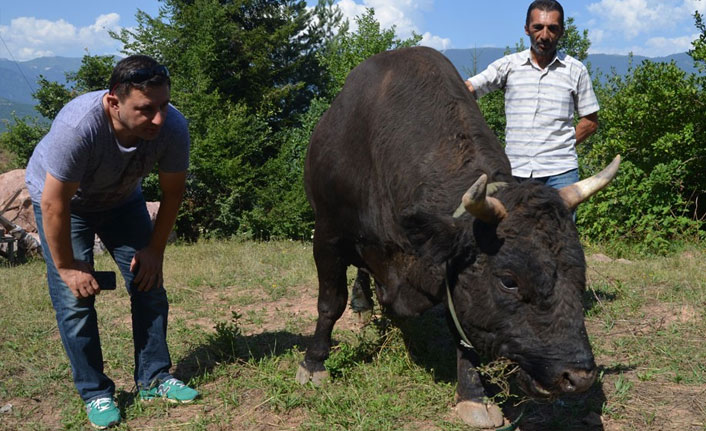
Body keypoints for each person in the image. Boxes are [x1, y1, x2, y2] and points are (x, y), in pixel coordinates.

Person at [25, 54, 197, 429]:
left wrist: (154, 251)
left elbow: (172, 194)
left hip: (122, 200)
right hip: (65, 204)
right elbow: (55, 203)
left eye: (164, 106)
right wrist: (68, 268)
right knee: (75, 299)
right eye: (146, 109)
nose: (158, 119)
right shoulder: (79, 126)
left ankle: (154, 378)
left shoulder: (173, 127)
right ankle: (96, 392)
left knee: (148, 284)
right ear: (113, 101)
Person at [466, 0, 599, 190]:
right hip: (514, 170)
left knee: (560, 220)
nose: (544, 35)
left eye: (552, 28)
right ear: (527, 29)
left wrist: (562, 146)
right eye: (538, 27)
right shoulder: (508, 66)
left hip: (561, 173)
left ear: (561, 31)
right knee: (512, 220)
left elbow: (590, 121)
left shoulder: (576, 70)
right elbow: (469, 89)